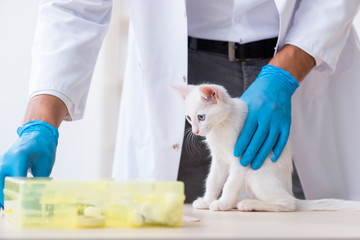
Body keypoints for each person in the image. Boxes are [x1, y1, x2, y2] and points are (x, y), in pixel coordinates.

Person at [1, 0, 360, 208]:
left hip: (303, 62)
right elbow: (74, 8)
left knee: (301, 216)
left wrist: (285, 74)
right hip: (181, 72)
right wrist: (41, 121)